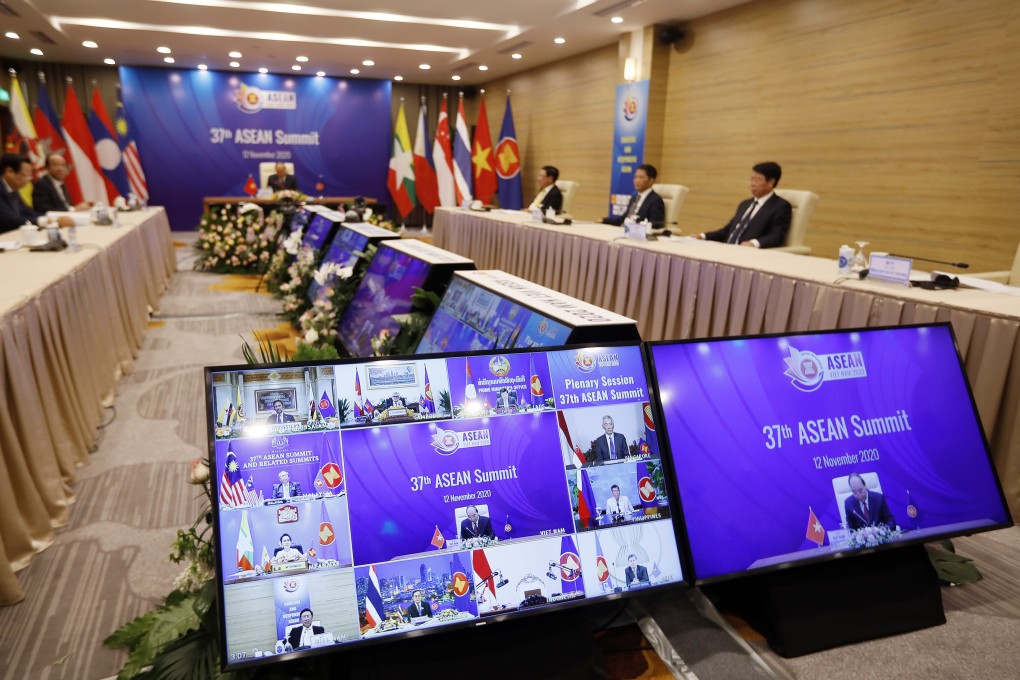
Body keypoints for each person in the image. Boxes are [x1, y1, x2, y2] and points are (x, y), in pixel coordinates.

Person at [698, 162, 792, 248]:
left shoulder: (780, 206)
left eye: (757, 180)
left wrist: (753, 243)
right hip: (726, 249)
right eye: (752, 179)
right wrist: (702, 236)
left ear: (771, 182)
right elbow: (727, 231)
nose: (752, 184)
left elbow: (776, 237)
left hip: (747, 254)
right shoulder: (745, 204)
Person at [601, 164, 665, 227]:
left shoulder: (655, 200)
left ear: (651, 181)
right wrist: (604, 220)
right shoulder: (634, 197)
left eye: (641, 177)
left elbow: (656, 224)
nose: (636, 180)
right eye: (635, 177)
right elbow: (623, 219)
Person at [1, 153, 43, 233]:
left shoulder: (13, 188)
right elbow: (9, 219)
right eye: (26, 176)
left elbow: (27, 212)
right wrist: (42, 221)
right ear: (9, 172)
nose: (29, 180)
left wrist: (50, 218)